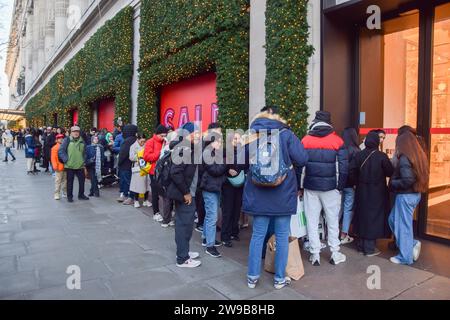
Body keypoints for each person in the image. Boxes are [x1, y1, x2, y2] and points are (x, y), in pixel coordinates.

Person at [244, 106, 308, 290]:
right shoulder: (286, 134)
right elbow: (302, 159)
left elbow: (241, 160)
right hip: (283, 193)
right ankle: (279, 278)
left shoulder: (253, 134)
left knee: (257, 235)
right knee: (281, 236)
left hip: (257, 194)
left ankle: (252, 277)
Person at [301, 111, 348, 266]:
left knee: (312, 220)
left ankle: (315, 254)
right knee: (332, 220)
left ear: (315, 122)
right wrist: (339, 187)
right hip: (331, 188)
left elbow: (300, 166)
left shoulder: (305, 140)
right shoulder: (338, 141)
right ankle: (335, 252)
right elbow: (343, 168)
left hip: (310, 187)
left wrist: (299, 186)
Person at [350, 132, 394, 256]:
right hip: (378, 192)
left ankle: (361, 245)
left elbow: (351, 171)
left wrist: (355, 183)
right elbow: (390, 172)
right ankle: (369, 248)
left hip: (361, 190)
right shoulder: (381, 156)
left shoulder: (359, 155)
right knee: (373, 217)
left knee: (362, 215)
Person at [388, 131, 429, 265]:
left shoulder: (405, 158)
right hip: (414, 194)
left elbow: (408, 179)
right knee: (393, 220)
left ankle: (405, 257)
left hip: (405, 195)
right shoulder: (419, 156)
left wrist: (393, 183)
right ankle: (411, 244)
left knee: (402, 225)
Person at [166, 122, 202, 268]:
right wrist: (186, 192)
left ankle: (184, 250)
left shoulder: (188, 146)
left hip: (188, 192)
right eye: (196, 133)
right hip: (184, 194)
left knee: (185, 224)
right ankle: (182, 258)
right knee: (184, 224)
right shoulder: (184, 148)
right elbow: (176, 172)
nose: (199, 135)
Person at [200, 130, 227, 258]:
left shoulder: (213, 152)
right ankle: (209, 246)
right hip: (209, 188)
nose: (221, 143)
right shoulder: (207, 153)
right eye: (219, 141)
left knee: (210, 214)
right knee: (212, 216)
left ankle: (206, 238)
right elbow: (215, 170)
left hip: (213, 187)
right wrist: (225, 163)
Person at [221, 131, 247, 247]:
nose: (237, 141)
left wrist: (244, 173)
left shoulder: (244, 152)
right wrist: (227, 170)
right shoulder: (225, 152)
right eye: (235, 139)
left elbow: (247, 166)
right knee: (228, 210)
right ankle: (225, 236)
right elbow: (219, 167)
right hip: (227, 185)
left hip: (240, 184)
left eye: (239, 139)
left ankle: (234, 232)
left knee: (237, 209)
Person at [143, 124, 169, 221]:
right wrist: (160, 153)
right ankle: (156, 212)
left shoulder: (166, 142)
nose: (163, 137)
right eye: (161, 136)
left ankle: (167, 211)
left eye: (164, 135)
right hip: (154, 171)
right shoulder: (150, 142)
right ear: (157, 134)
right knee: (155, 193)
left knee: (165, 192)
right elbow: (146, 156)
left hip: (165, 171)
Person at [340, 128, 360, 244]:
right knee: (348, 209)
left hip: (339, 184)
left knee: (338, 208)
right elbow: (354, 170)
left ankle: (331, 233)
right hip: (350, 185)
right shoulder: (356, 150)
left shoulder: (340, 149)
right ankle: (344, 235)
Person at [58, 126, 89, 203]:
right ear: (71, 132)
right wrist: (66, 160)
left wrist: (84, 160)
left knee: (82, 181)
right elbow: (61, 151)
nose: (76, 133)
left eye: (77, 131)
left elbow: (85, 152)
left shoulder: (82, 141)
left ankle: (81, 195)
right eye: (74, 131)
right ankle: (69, 196)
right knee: (70, 182)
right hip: (70, 165)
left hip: (80, 165)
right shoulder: (67, 140)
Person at [160, 129, 179, 228]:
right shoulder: (171, 148)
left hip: (166, 177)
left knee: (167, 199)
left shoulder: (165, 147)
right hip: (170, 177)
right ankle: (169, 219)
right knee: (170, 199)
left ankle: (166, 220)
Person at [118, 124, 139, 205]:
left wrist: (119, 163)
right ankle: (128, 196)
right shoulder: (136, 140)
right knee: (132, 181)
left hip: (125, 165)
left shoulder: (127, 141)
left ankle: (130, 197)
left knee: (128, 181)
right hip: (134, 165)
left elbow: (122, 154)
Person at [129, 133, 151, 208]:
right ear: (137, 139)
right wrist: (140, 155)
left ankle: (146, 200)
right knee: (137, 185)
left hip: (146, 167)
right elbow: (131, 157)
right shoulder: (133, 146)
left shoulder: (146, 145)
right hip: (138, 168)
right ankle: (136, 200)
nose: (143, 143)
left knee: (147, 184)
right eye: (141, 141)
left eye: (144, 141)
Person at [51, 134, 67, 200]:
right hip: (59, 167)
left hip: (65, 166)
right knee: (58, 181)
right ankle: (57, 194)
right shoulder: (54, 148)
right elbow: (53, 158)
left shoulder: (65, 146)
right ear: (57, 140)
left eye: (62, 138)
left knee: (65, 181)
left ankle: (64, 192)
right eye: (59, 138)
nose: (61, 139)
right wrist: (55, 166)